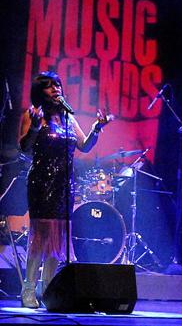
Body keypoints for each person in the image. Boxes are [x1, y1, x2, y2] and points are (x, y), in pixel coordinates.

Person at [18, 72, 111, 308]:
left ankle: (48, 289)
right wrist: (35, 128)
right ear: (41, 92)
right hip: (41, 182)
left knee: (58, 239)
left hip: (64, 183)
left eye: (57, 85)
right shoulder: (33, 114)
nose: (55, 89)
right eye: (49, 87)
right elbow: (24, 148)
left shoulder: (69, 117)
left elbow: (85, 145)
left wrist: (97, 128)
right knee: (41, 237)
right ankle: (28, 290)